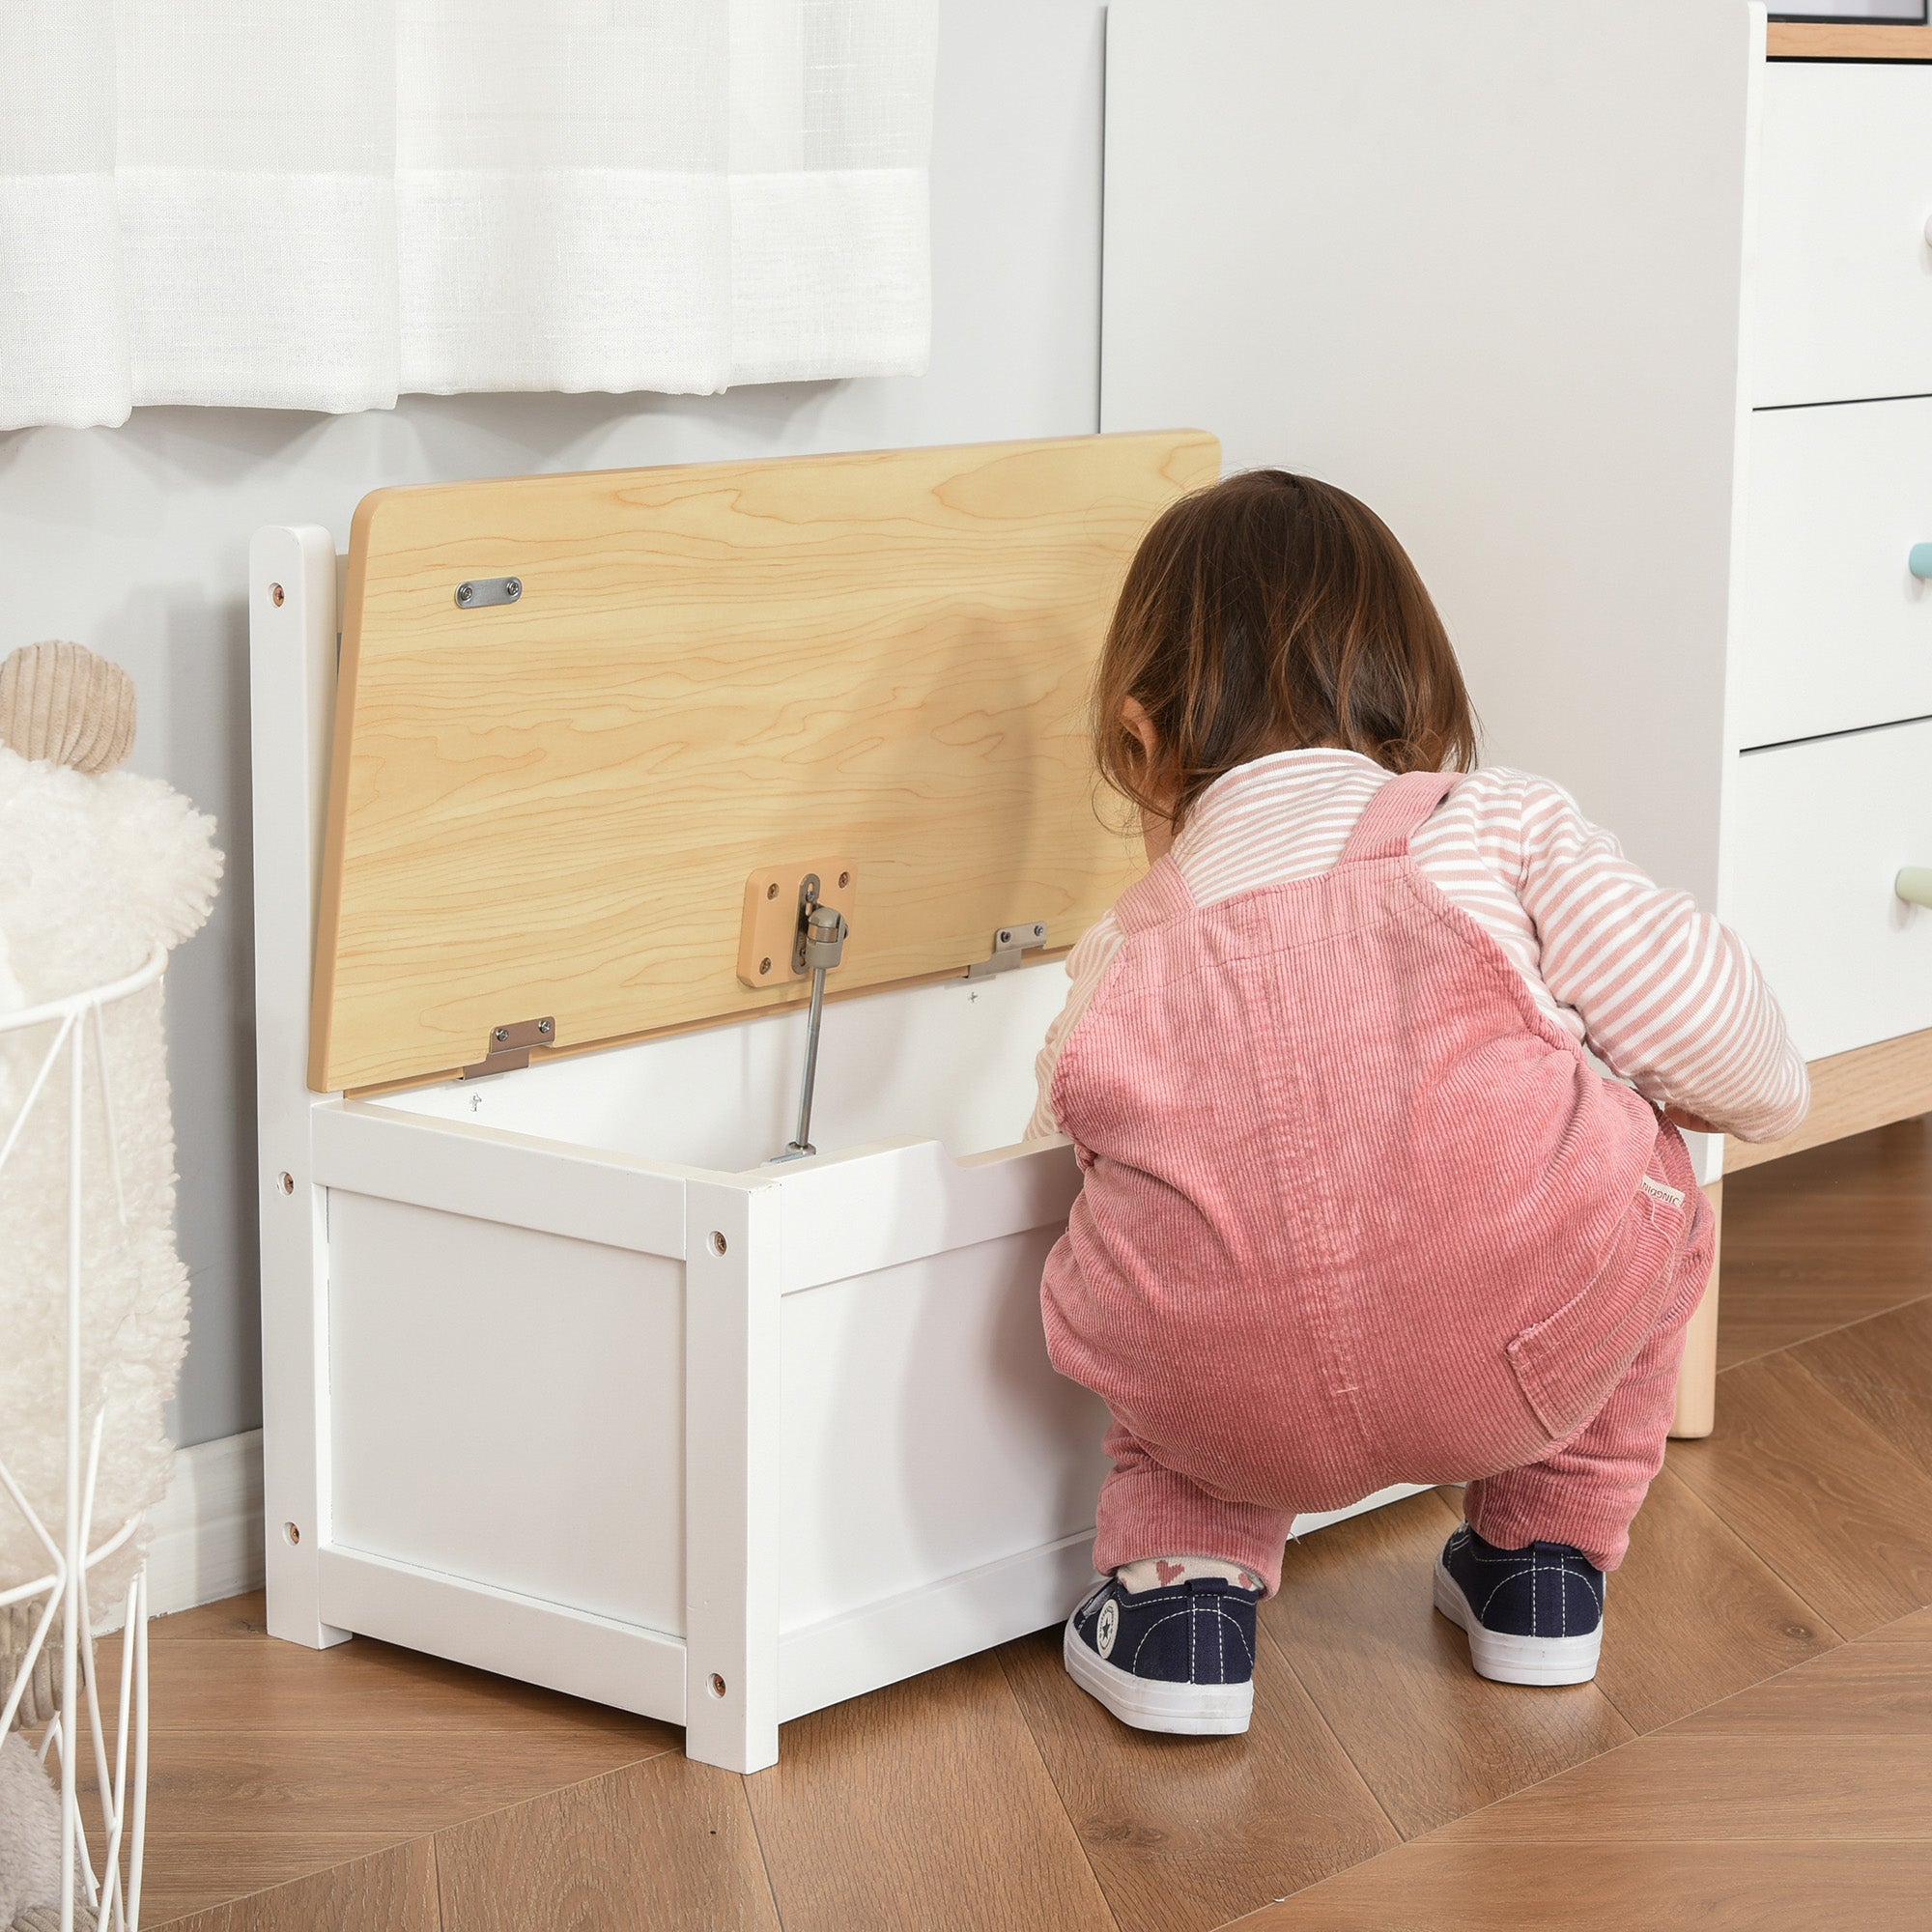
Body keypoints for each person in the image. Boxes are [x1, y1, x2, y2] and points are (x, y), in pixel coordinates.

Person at [1036, 469, 1806, 1736]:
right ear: (1428, 700)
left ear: (1137, 740)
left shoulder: (1114, 956)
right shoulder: (1488, 825)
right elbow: (1719, 1042)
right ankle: (1540, 1568)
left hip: (1232, 1411)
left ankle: (1178, 1603)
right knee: (1660, 1159)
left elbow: (1083, 1154)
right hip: (1518, 1364)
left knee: (1149, 1252)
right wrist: (1765, 1094)